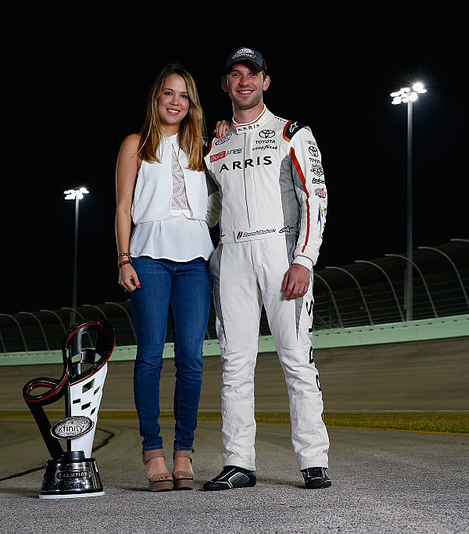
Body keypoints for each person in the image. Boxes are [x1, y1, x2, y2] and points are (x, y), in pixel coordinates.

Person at [202, 47, 331, 490]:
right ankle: (239, 462)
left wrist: (304, 260)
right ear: (225, 84)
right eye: (235, 75)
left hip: (282, 254)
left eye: (252, 74)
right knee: (235, 364)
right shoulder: (214, 144)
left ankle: (314, 460)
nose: (244, 82)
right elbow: (212, 208)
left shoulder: (292, 132)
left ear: (266, 81)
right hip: (231, 259)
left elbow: (316, 197)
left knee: (297, 360)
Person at [115, 64, 214, 491]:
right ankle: (153, 452)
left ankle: (183, 453)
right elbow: (122, 207)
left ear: (191, 104)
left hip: (195, 261)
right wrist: (124, 259)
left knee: (191, 359)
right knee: (151, 356)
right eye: (168, 94)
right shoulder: (136, 144)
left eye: (184, 96)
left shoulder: (203, 149)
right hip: (148, 258)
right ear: (157, 98)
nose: (175, 102)